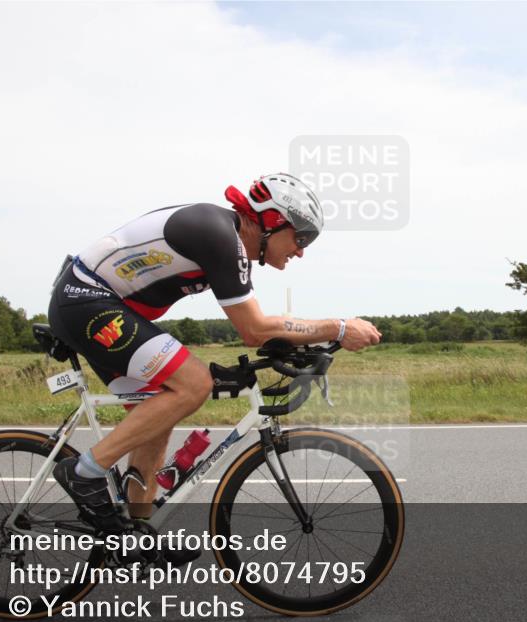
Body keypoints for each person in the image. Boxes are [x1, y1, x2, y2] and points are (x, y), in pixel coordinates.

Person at [46, 173, 381, 547]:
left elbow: (257, 326)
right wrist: (337, 328)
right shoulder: (220, 235)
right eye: (301, 238)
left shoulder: (228, 241)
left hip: (100, 303)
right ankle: (84, 472)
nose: (301, 250)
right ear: (271, 221)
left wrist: (297, 344)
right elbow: (253, 329)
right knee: (194, 383)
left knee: (160, 412)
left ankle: (135, 535)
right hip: (87, 300)